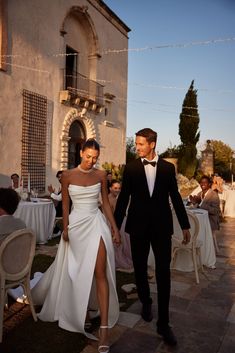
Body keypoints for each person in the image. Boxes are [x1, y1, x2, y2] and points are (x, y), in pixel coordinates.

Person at [32, 138, 121, 353]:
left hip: (96, 223)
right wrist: (65, 227)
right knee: (75, 271)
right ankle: (83, 311)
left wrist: (115, 227)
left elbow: (106, 204)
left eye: (95, 158)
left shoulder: (101, 175)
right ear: (81, 152)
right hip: (76, 226)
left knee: (100, 272)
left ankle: (104, 329)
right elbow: (65, 204)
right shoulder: (67, 176)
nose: (92, 161)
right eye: (89, 156)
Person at [114, 128, 191, 346]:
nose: (136, 147)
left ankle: (164, 323)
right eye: (136, 143)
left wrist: (185, 225)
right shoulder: (130, 168)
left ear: (152, 144)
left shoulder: (167, 168)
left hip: (161, 228)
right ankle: (146, 301)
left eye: (140, 144)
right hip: (137, 227)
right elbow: (123, 199)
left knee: (163, 272)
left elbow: (175, 196)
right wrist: (116, 227)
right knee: (139, 268)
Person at [189, 175, 220, 253]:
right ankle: (194, 247)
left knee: (195, 226)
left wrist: (200, 204)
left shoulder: (214, 195)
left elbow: (216, 211)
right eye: (201, 182)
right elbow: (197, 205)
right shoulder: (200, 193)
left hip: (211, 220)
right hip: (202, 218)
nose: (202, 184)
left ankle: (203, 250)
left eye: (205, 182)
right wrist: (193, 202)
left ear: (209, 184)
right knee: (191, 224)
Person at [107, 180, 133, 271]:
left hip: (121, 223)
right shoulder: (109, 199)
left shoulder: (118, 198)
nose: (117, 190)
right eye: (115, 188)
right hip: (114, 224)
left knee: (126, 243)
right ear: (110, 189)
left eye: (119, 188)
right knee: (119, 243)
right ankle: (118, 260)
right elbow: (109, 216)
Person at [48, 170, 63, 236]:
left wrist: (51, 192)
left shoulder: (66, 186)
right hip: (59, 207)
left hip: (63, 210)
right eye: (59, 177)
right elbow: (57, 197)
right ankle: (55, 230)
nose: (60, 178)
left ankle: (56, 231)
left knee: (49, 213)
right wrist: (53, 193)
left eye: (62, 176)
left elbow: (59, 198)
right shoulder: (61, 186)